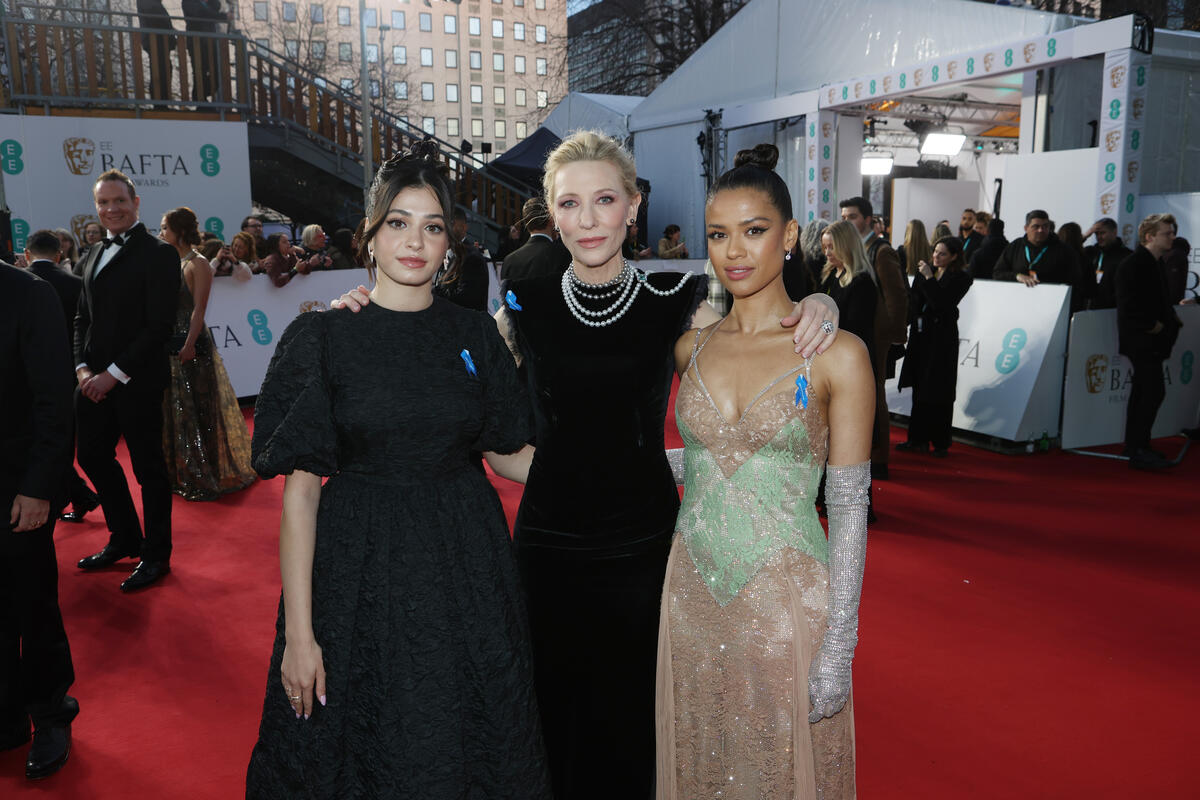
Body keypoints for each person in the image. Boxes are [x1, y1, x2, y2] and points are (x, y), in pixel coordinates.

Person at [332, 130, 841, 800]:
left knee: (635, 720)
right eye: (570, 204)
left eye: (605, 200)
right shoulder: (521, 300)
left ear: (633, 208)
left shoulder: (680, 301)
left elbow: (763, 320)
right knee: (547, 715)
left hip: (646, 549)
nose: (589, 218)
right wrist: (368, 311)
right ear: (552, 214)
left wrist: (821, 302)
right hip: (548, 548)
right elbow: (458, 385)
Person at [245, 146, 550, 798]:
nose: (416, 240)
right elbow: (300, 497)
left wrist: (605, 470)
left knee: (469, 734)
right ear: (371, 235)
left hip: (465, 565)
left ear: (449, 244)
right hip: (359, 571)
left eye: (433, 225)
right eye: (399, 223)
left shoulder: (474, 335)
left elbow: (505, 452)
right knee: (363, 737)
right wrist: (300, 635)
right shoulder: (325, 338)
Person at [656, 144, 872, 800]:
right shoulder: (690, 347)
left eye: (754, 231)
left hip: (786, 606)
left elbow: (851, 505)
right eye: (719, 234)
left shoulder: (838, 356)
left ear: (790, 235)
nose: (736, 251)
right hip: (689, 595)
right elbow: (696, 459)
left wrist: (840, 641)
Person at [73, 169, 180, 593]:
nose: (111, 209)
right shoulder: (91, 253)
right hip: (91, 383)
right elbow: (82, 319)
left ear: (136, 203)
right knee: (93, 457)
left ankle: (156, 555)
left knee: (148, 469)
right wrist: (82, 370)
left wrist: (112, 376)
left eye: (118, 201)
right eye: (103, 202)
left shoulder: (159, 253)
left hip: (135, 381)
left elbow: (157, 327)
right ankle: (124, 537)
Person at [0, 261, 79, 781]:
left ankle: (51, 712)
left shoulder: (29, 293)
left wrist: (38, 488)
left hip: (16, 484)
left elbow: (55, 400)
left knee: (31, 602)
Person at [158, 208, 256, 500]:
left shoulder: (197, 263)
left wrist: (188, 344)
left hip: (192, 339)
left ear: (180, 230)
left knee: (200, 404)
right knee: (177, 405)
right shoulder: (172, 260)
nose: (161, 233)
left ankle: (205, 468)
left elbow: (199, 309)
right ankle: (181, 467)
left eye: (164, 228)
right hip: (170, 340)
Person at [23, 231, 100, 523]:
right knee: (59, 442)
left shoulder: (18, 284)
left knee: (38, 441)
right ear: (59, 255)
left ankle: (74, 498)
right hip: (75, 374)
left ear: (27, 254)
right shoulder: (79, 284)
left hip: (29, 379)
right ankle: (80, 496)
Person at [839, 197, 906, 481]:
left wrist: (893, 338)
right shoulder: (858, 249)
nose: (847, 221)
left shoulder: (881, 251)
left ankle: (879, 458)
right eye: (844, 216)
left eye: (852, 216)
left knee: (875, 394)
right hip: (863, 333)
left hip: (876, 337)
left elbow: (897, 296)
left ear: (867, 219)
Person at [1116, 214, 1183, 471]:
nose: (1172, 237)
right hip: (1142, 340)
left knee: (1144, 393)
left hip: (1151, 340)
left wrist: (1171, 319)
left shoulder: (1155, 263)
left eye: (1172, 232)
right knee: (1153, 392)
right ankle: (1138, 448)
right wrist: (1154, 326)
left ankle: (1137, 445)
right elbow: (1128, 304)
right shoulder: (1134, 264)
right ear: (1149, 236)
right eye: (1167, 233)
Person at [896, 236, 973, 457]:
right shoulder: (924, 273)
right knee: (919, 387)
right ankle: (917, 439)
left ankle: (940, 442)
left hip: (942, 340)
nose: (936, 257)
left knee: (940, 389)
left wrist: (930, 278)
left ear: (955, 256)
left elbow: (943, 304)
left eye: (942, 254)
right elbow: (914, 301)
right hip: (921, 335)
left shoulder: (961, 277)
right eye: (935, 252)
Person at [992, 209, 1087, 312]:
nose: (1041, 230)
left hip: (1050, 308)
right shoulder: (1015, 246)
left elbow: (1076, 282)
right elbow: (997, 273)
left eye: (1045, 226)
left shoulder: (1064, 250)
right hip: (1017, 305)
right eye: (1036, 226)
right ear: (1026, 228)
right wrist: (1017, 276)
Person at [821, 221, 878, 357]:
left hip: (849, 356)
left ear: (847, 246)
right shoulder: (830, 273)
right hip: (832, 351)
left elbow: (854, 328)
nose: (827, 253)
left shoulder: (862, 282)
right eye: (825, 247)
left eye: (832, 247)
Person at [500, 197, 569, 282]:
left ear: (526, 223)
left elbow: (507, 293)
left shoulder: (509, 261)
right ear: (551, 219)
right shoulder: (563, 255)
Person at [1082, 217, 1132, 310]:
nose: (1099, 237)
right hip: (1089, 308)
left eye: (1102, 233)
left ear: (1114, 232)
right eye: (1096, 233)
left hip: (1113, 310)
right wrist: (1086, 234)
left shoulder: (1126, 255)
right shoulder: (1091, 252)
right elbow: (1068, 251)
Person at [181, 0, 225, 102]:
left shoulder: (208, 3)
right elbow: (200, 13)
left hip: (210, 42)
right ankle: (199, 98)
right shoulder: (188, 2)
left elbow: (216, 6)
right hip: (196, 42)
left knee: (217, 71)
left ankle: (203, 93)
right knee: (200, 70)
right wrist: (222, 16)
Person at [136, 0, 173, 102]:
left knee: (165, 69)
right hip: (155, 39)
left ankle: (163, 101)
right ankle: (159, 102)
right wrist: (170, 33)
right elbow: (156, 17)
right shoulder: (149, 2)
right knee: (159, 70)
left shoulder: (156, 3)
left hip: (160, 40)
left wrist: (171, 36)